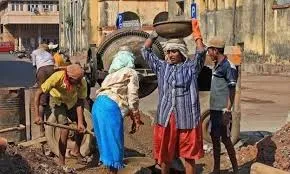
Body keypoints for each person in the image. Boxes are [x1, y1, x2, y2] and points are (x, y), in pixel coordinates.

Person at [141, 19, 206, 174]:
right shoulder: (162, 67)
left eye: (174, 51)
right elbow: (145, 51)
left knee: (189, 156)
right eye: (168, 52)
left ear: (182, 52)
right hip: (166, 117)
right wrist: (154, 34)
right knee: (165, 155)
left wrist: (197, 34)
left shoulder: (191, 68)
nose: (170, 55)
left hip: (187, 118)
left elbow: (201, 52)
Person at [92, 47, 142, 174]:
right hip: (110, 108)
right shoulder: (130, 72)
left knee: (105, 145)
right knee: (114, 146)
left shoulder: (110, 76)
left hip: (98, 106)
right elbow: (132, 96)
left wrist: (132, 115)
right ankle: (112, 172)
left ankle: (109, 171)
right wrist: (136, 115)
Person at [34, 64, 87, 168]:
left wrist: (80, 123)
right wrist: (37, 116)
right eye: (77, 81)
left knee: (83, 124)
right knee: (64, 130)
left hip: (72, 102)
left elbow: (80, 102)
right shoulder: (57, 77)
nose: (80, 82)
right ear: (70, 78)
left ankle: (76, 151)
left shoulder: (82, 82)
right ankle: (61, 162)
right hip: (58, 102)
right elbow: (38, 94)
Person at [207, 37, 239, 174]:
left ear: (215, 50)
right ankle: (216, 169)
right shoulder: (217, 64)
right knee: (214, 138)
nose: (208, 53)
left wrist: (227, 111)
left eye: (209, 50)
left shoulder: (228, 66)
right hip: (214, 110)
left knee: (225, 139)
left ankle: (236, 169)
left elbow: (232, 90)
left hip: (222, 111)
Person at [31, 43, 55, 136]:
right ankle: (53, 126)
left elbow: (34, 65)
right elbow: (53, 63)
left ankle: (42, 129)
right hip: (51, 69)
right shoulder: (49, 54)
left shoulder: (34, 52)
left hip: (42, 71)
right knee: (52, 93)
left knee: (42, 99)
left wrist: (37, 79)